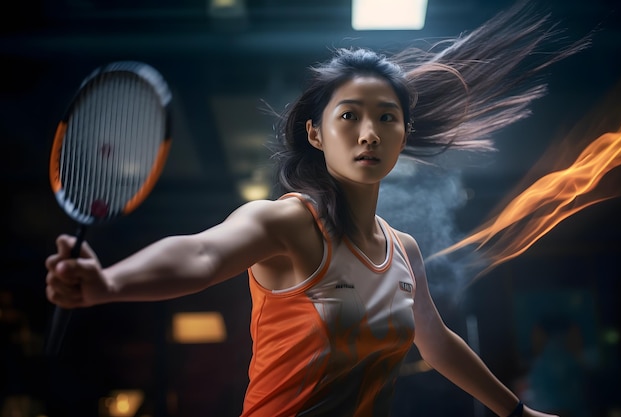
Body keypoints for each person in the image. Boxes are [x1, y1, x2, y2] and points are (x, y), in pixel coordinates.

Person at [45, 2, 589, 416]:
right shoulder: (288, 224)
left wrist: (516, 412)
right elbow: (201, 254)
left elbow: (437, 341)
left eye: (387, 118)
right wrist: (107, 284)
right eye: (349, 116)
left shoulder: (404, 251)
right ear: (316, 133)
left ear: (403, 137)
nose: (369, 132)